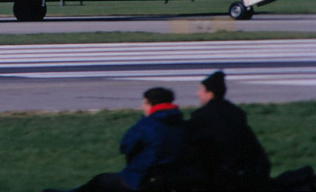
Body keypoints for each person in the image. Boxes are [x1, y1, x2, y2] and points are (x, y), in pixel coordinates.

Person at [44, 87, 184, 192]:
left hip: (140, 179)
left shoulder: (147, 125)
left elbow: (125, 146)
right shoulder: (181, 124)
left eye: (145, 103)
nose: (142, 107)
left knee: (101, 181)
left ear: (151, 104)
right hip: (170, 178)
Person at [182, 70, 271, 191]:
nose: (198, 94)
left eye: (201, 90)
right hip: (246, 172)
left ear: (210, 93)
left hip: (220, 175)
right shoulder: (236, 113)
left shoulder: (202, 116)